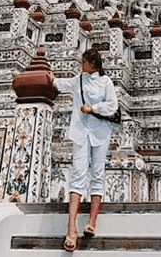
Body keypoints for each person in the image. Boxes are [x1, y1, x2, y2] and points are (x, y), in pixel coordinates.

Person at [50, 47, 119, 252]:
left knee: (97, 174)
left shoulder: (106, 82)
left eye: (84, 62)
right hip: (80, 132)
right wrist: (49, 75)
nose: (82, 65)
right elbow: (60, 84)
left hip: (100, 132)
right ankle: (71, 228)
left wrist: (93, 109)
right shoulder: (78, 79)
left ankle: (92, 222)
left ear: (93, 64)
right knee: (78, 174)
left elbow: (113, 106)